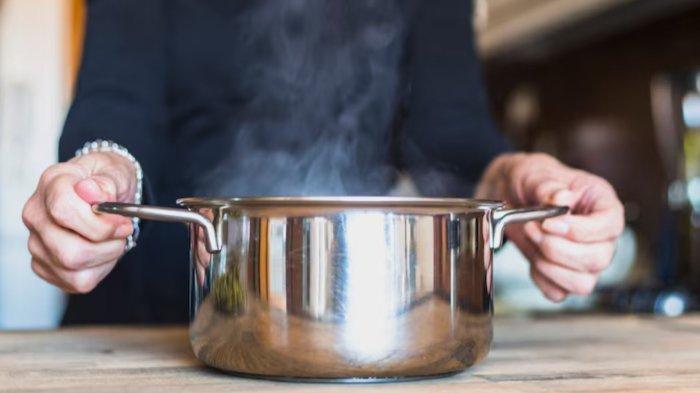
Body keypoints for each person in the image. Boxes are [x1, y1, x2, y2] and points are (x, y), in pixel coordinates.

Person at [21, 0, 624, 324]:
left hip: (345, 320)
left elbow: (452, 136)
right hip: (139, 321)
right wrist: (100, 173)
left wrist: (514, 181)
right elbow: (116, 99)